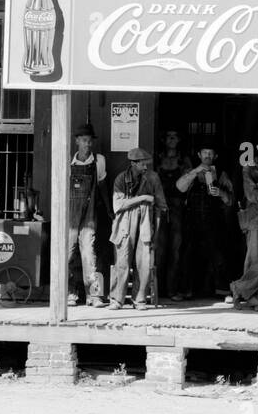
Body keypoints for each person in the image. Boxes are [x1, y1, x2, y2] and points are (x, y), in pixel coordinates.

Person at [109, 148, 167, 310]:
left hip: (145, 223)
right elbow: (118, 205)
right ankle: (116, 300)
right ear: (133, 163)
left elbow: (161, 206)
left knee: (143, 263)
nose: (145, 166)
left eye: (146, 162)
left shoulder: (153, 178)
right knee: (122, 262)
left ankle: (140, 300)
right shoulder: (121, 179)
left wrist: (156, 233)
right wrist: (143, 198)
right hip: (124, 223)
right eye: (141, 163)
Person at [178, 146, 235, 300]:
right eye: (204, 153)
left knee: (219, 255)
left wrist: (221, 193)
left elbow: (230, 200)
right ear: (199, 154)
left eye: (210, 153)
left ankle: (223, 291)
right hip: (192, 220)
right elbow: (180, 187)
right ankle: (185, 291)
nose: (207, 155)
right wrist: (195, 171)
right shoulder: (191, 172)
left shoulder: (221, 173)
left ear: (215, 156)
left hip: (214, 220)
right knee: (188, 254)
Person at [230, 133, 258, 311]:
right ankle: (257, 301)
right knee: (253, 258)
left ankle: (239, 287)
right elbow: (252, 195)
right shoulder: (248, 167)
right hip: (254, 217)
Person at [68, 123, 108, 308]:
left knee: (89, 254)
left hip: (90, 214)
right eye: (84, 140)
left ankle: (94, 296)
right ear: (77, 141)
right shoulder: (69, 161)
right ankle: (71, 293)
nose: (88, 144)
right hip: (70, 215)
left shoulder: (98, 161)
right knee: (69, 254)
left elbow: (102, 188)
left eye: (90, 141)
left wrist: (109, 210)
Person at [154, 129, 192, 300]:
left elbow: (188, 184)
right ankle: (158, 289)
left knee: (176, 250)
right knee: (159, 249)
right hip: (160, 207)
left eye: (174, 136)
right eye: (168, 136)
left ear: (179, 139)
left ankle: (172, 290)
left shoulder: (184, 160)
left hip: (177, 207)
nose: (171, 139)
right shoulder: (157, 158)